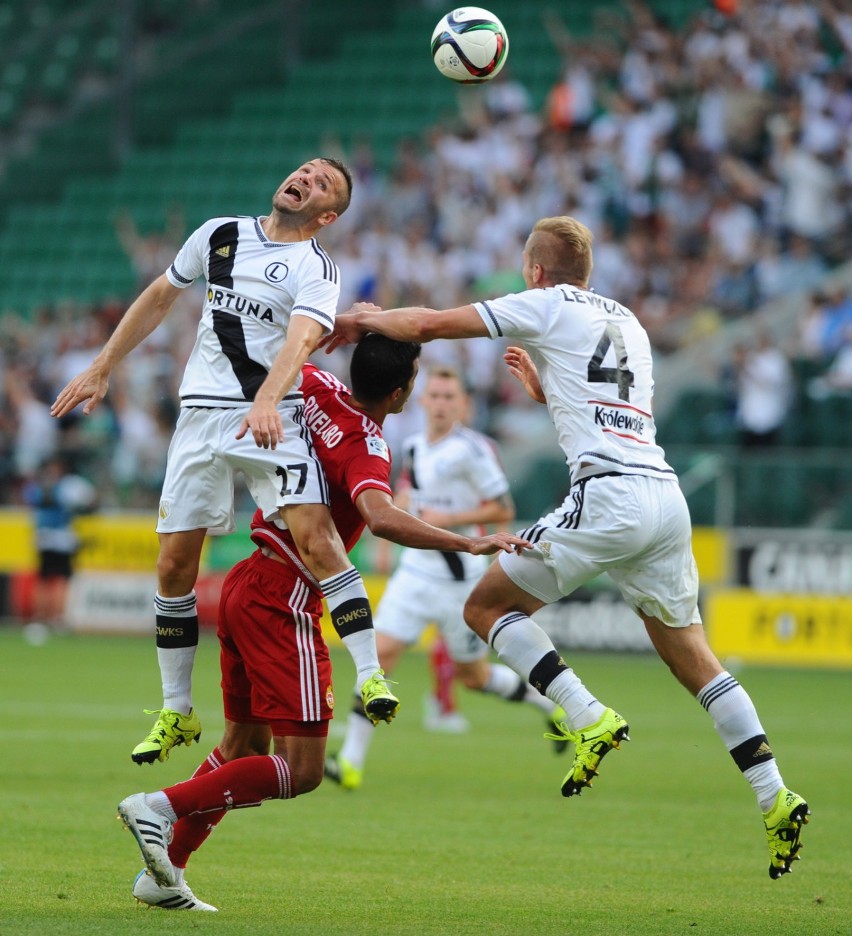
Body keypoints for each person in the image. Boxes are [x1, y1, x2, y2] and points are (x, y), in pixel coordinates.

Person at [322, 215, 809, 879]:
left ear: (535, 271)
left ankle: (585, 715)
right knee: (695, 658)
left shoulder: (544, 304)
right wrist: (547, 390)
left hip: (608, 496)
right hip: (664, 500)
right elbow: (612, 414)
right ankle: (774, 793)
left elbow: (433, 324)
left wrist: (367, 323)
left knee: (486, 609)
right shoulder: (628, 323)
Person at [115, 334, 529, 910]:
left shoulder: (312, 383)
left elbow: (288, 352)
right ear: (402, 390)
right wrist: (468, 541)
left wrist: (350, 323)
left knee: (242, 744)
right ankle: (159, 807)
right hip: (286, 599)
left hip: (246, 581)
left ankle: (165, 875)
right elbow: (381, 518)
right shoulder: (367, 444)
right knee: (303, 767)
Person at [50, 158, 400, 766]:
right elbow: (161, 295)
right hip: (200, 417)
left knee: (319, 541)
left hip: (273, 415)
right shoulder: (219, 234)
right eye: (307, 169)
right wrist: (104, 363)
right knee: (172, 565)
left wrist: (267, 397)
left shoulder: (316, 267)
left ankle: (370, 675)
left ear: (327, 215)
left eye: (323, 183)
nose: (307, 177)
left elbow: (300, 341)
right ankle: (177, 710)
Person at [325, 365, 565, 791]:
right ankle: (350, 762)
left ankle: (550, 707)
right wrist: (384, 543)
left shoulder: (474, 449)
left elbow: (502, 510)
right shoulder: (415, 446)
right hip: (414, 573)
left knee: (474, 678)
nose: (440, 404)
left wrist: (451, 518)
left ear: (463, 405)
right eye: (434, 396)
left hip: (460, 581)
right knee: (379, 657)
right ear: (421, 400)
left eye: (449, 397)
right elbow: (404, 492)